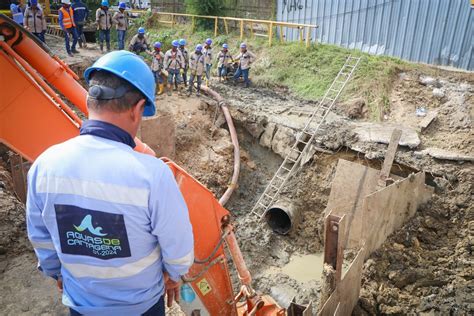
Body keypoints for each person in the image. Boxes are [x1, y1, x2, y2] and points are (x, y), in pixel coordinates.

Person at [26, 50, 194, 316]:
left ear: (91, 100)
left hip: (81, 306)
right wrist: (174, 275)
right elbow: (179, 248)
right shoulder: (152, 174)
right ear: (138, 109)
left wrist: (55, 272)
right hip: (141, 307)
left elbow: (41, 238)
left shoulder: (43, 166)